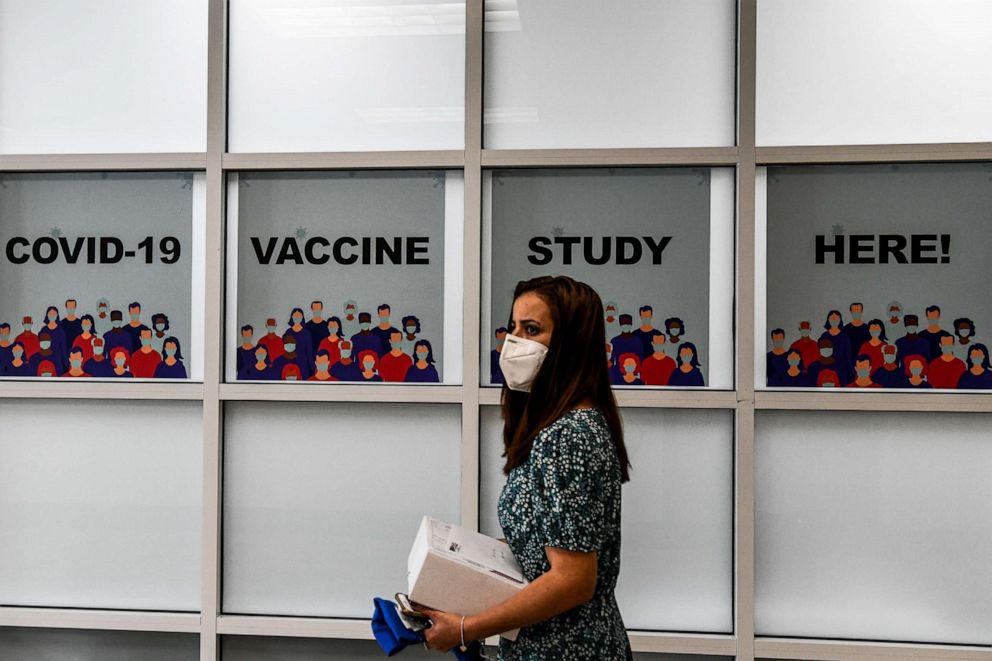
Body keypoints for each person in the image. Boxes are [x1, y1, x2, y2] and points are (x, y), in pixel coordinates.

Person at [417, 274, 632, 659]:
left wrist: (466, 629)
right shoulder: (573, 423)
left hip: (564, 650)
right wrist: (456, 571)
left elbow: (573, 581)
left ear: (570, 344)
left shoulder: (566, 436)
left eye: (532, 329)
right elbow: (550, 546)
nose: (514, 342)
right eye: (512, 328)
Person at [819, 310, 852, 385]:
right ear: (828, 320)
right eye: (832, 319)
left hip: (841, 370)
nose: (834, 321)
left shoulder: (844, 337)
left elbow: (848, 357)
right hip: (827, 370)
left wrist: (850, 374)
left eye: (836, 319)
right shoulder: (824, 336)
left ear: (840, 320)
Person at [286, 308, 315, 375]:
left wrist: (312, 367)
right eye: (295, 316)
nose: (297, 318)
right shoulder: (288, 332)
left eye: (299, 316)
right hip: (291, 363)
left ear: (302, 317)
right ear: (292, 317)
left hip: (303, 365)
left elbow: (309, 351)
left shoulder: (306, 333)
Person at [41, 306, 69, 372]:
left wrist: (66, 363)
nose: (52, 316)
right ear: (47, 315)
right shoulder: (43, 330)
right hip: (45, 359)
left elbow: (63, 348)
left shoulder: (60, 330)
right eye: (50, 314)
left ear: (57, 315)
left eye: (54, 314)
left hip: (58, 361)